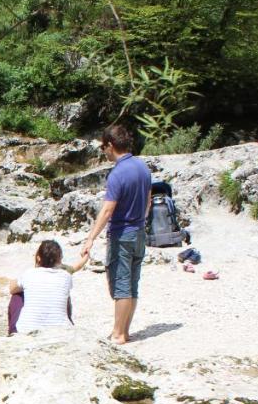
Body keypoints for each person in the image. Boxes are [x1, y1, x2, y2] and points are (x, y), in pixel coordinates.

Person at [80, 124, 152, 344]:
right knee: (132, 284)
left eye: (103, 148)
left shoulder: (117, 174)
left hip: (122, 234)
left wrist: (91, 237)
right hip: (139, 232)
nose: (104, 152)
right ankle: (125, 331)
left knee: (120, 285)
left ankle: (118, 334)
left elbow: (108, 209)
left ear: (110, 145)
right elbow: (148, 201)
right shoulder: (143, 167)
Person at [8, 239, 88, 335]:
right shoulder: (66, 275)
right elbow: (75, 267)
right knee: (64, 294)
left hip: (26, 330)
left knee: (17, 295)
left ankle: (12, 333)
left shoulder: (29, 273)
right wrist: (86, 256)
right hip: (61, 331)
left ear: (38, 258)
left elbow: (12, 289)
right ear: (60, 259)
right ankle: (68, 320)